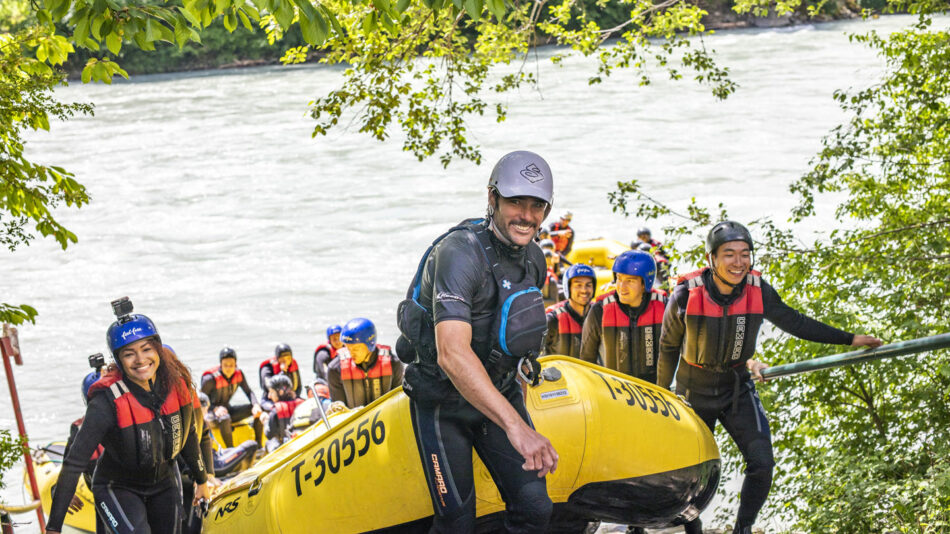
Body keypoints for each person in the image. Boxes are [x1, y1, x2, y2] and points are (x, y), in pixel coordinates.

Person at [658, 221, 882, 534]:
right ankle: (693, 528)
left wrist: (851, 339)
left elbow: (797, 322)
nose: (738, 262)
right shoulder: (685, 294)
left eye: (745, 254)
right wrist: (661, 397)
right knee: (688, 474)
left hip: (736, 388)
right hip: (692, 392)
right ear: (711, 259)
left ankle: (743, 528)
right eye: (729, 254)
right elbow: (667, 348)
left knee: (762, 463)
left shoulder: (758, 290)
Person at [398, 150, 558, 533]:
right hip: (442, 403)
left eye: (537, 206)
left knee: (536, 508)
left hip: (498, 394)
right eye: (515, 201)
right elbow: (452, 354)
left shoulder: (534, 259)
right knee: (456, 522)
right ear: (492, 198)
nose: (527, 215)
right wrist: (517, 429)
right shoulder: (459, 254)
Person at [45, 298, 209, 534]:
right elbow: (75, 462)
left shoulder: (177, 384)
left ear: (157, 349)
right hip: (117, 487)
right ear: (119, 360)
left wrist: (202, 480)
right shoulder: (106, 402)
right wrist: (54, 527)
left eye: (146, 349)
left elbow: (189, 435)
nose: (141, 360)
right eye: (129, 354)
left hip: (165, 482)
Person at [579, 250, 666, 383]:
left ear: (645, 284)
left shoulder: (664, 306)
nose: (622, 287)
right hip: (613, 393)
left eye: (630, 281)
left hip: (653, 391)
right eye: (619, 279)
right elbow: (586, 359)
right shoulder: (599, 310)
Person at [327, 318, 404, 408]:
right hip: (354, 418)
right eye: (348, 348)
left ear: (370, 345)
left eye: (356, 349)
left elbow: (399, 400)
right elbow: (339, 405)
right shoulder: (335, 369)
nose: (351, 353)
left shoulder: (393, 363)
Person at [201, 346, 262, 447]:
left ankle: (259, 445)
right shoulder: (210, 379)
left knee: (257, 409)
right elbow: (200, 402)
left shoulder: (239, 374)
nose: (229, 368)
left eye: (231, 365)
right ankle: (231, 450)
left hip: (227, 410)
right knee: (224, 418)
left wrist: (256, 405)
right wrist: (215, 409)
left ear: (235, 364)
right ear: (220, 364)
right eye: (225, 365)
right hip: (211, 415)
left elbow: (249, 392)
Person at [196, 393, 259, 477]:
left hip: (216, 456)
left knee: (233, 450)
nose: (207, 413)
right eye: (206, 410)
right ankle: (244, 479)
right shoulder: (198, 425)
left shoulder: (198, 423)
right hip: (215, 466)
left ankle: (240, 475)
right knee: (251, 445)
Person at [543, 264, 596, 357]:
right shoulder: (552, 320)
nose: (584, 290)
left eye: (588, 285)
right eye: (578, 285)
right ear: (568, 288)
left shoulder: (600, 315)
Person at [260, 375, 305, 453]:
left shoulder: (275, 411)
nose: (269, 396)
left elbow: (269, 434)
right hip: (303, 444)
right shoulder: (303, 403)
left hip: (287, 450)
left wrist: (265, 421)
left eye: (271, 392)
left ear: (280, 392)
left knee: (269, 443)